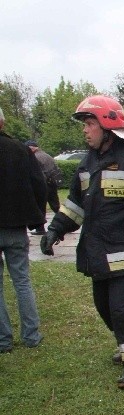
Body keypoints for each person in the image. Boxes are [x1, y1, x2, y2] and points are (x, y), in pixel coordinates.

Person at [40, 95, 124, 388]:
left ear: (108, 125)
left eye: (90, 124)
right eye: (85, 124)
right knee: (105, 307)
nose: (85, 130)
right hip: (99, 254)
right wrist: (55, 230)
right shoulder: (88, 162)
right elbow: (75, 204)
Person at [0, 106, 46, 354]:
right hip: (16, 224)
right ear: (3, 124)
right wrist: (37, 218)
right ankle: (31, 335)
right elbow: (39, 183)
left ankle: (3, 340)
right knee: (22, 280)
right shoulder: (20, 149)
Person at [25, 140, 63, 236]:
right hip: (52, 183)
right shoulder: (46, 155)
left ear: (32, 147)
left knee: (40, 206)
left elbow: (37, 173)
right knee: (55, 205)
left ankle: (40, 228)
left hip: (44, 184)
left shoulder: (35, 157)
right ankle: (64, 222)